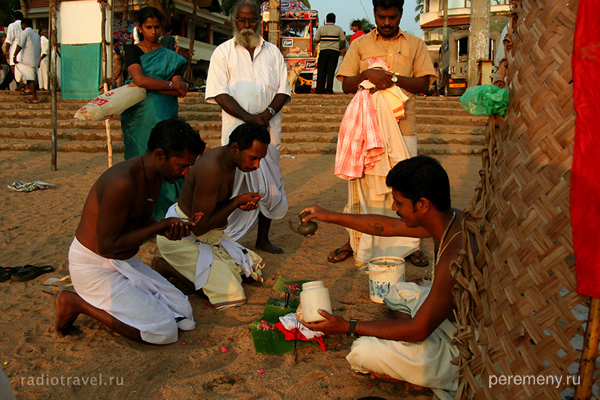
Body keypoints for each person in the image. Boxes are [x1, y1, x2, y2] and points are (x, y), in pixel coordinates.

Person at [300, 156, 460, 392]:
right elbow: (388, 226)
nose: (394, 208)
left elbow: (419, 330)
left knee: (363, 351)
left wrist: (348, 326)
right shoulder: (448, 219)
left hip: (465, 348)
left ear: (423, 205)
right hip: (445, 321)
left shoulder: (456, 255)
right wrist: (329, 216)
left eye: (399, 202)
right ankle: (411, 355)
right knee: (398, 291)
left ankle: (424, 371)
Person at [54, 119, 206, 345]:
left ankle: (135, 294)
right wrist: (159, 227)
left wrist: (169, 229)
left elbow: (142, 221)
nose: (185, 173)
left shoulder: (154, 176)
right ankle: (77, 303)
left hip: (125, 261)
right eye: (182, 165)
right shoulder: (122, 181)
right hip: (94, 266)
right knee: (165, 331)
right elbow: (105, 246)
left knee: (183, 312)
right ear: (160, 155)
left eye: (189, 167)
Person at [329, 0, 435, 267]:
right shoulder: (360, 44)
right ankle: (356, 242)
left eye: (392, 17)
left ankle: (410, 246)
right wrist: (367, 74)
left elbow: (424, 82)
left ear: (400, 14)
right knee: (363, 190)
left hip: (403, 128)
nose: (386, 22)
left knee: (406, 189)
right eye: (381, 17)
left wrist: (392, 78)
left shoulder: (415, 44)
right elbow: (346, 86)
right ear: (374, 14)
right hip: (365, 131)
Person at [154, 122, 271, 309]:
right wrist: (235, 203)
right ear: (235, 148)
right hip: (183, 237)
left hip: (208, 235)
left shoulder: (229, 162)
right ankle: (166, 267)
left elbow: (215, 206)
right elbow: (200, 227)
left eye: (260, 160)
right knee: (232, 294)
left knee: (248, 271)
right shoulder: (212, 169)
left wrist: (238, 203)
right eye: (253, 158)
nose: (256, 165)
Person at [205, 0, 290, 254]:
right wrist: (249, 118)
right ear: (234, 22)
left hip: (268, 131)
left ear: (259, 22)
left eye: (251, 20)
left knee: (268, 183)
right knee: (232, 184)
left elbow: (283, 91)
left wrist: (267, 114)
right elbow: (219, 94)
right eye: (241, 20)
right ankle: (227, 237)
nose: (246, 26)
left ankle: (263, 239)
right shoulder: (222, 52)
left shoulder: (273, 52)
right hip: (236, 133)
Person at [121, 6, 190, 221]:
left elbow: (181, 89)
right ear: (140, 28)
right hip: (139, 117)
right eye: (148, 27)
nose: (153, 31)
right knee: (141, 162)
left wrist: (153, 85)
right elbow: (139, 80)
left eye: (156, 27)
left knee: (170, 161)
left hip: (166, 114)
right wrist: (168, 84)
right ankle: (141, 218)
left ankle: (168, 216)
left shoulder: (172, 57)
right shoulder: (132, 51)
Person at [314, 13, 346, 94]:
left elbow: (316, 40)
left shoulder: (321, 29)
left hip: (324, 51)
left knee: (321, 71)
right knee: (331, 71)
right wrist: (340, 47)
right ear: (334, 20)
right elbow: (343, 40)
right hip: (334, 51)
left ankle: (319, 89)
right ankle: (329, 90)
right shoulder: (338, 29)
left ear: (326, 20)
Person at [13, 18, 41, 103]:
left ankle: (34, 98)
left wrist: (14, 55)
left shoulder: (25, 33)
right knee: (30, 76)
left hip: (27, 59)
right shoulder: (36, 35)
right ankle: (26, 87)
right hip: (35, 59)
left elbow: (19, 45)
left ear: (24, 25)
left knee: (29, 77)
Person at [1, 11, 22, 91]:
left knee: (13, 66)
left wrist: (6, 51)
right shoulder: (24, 25)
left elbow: (9, 40)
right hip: (25, 47)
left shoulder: (12, 25)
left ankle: (20, 83)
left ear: (14, 17)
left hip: (15, 45)